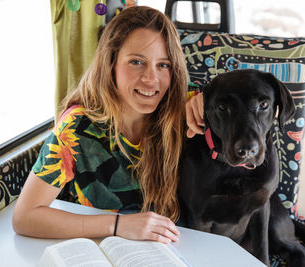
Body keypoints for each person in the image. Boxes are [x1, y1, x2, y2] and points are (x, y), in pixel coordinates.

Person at [12, 6, 191, 244]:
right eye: (136, 62)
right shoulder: (76, 128)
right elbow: (24, 217)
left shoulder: (185, 116)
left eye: (163, 65)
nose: (151, 78)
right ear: (110, 63)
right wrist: (117, 225)